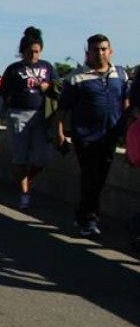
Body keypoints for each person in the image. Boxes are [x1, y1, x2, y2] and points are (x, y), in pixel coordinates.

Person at [55, 34, 131, 237]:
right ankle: (90, 220)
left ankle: (83, 214)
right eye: (95, 49)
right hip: (86, 137)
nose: (100, 53)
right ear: (87, 53)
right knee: (90, 177)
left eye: (104, 49)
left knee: (99, 179)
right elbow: (62, 109)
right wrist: (60, 132)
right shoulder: (76, 77)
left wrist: (128, 131)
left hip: (111, 135)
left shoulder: (120, 75)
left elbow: (126, 102)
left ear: (111, 51)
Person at [0, 26, 55, 210]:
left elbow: (60, 88)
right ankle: (24, 194)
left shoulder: (47, 67)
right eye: (30, 51)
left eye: (37, 52)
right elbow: (2, 94)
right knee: (20, 157)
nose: (33, 55)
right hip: (18, 114)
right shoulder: (14, 69)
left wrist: (49, 86)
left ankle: (27, 179)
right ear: (23, 51)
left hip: (41, 115)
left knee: (43, 157)